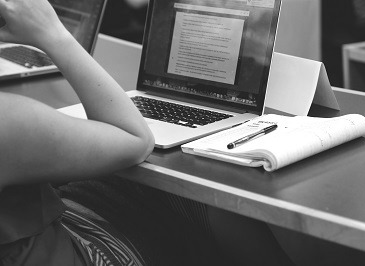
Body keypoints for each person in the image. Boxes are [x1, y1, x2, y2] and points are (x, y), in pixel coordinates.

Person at [0, 1, 223, 265]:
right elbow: (136, 140)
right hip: (78, 255)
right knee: (210, 207)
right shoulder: (10, 121)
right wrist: (51, 32)